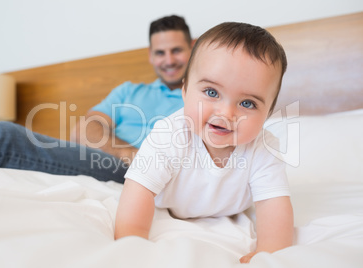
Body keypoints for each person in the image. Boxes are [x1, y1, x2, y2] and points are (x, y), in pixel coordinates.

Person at [114, 22, 294, 264]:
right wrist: (132, 242)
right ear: (185, 90)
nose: (225, 113)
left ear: (268, 113)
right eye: (211, 92)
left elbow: (274, 204)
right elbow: (139, 189)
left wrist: (269, 252)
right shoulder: (170, 133)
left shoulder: (263, 147)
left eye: (248, 103)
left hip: (229, 209)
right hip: (169, 204)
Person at [0, 15, 193, 184]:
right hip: (116, 161)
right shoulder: (129, 91)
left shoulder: (204, 98)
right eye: (160, 53)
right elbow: (83, 130)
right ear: (150, 56)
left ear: (192, 48)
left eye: (176, 50)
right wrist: (129, 154)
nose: (169, 60)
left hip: (144, 175)